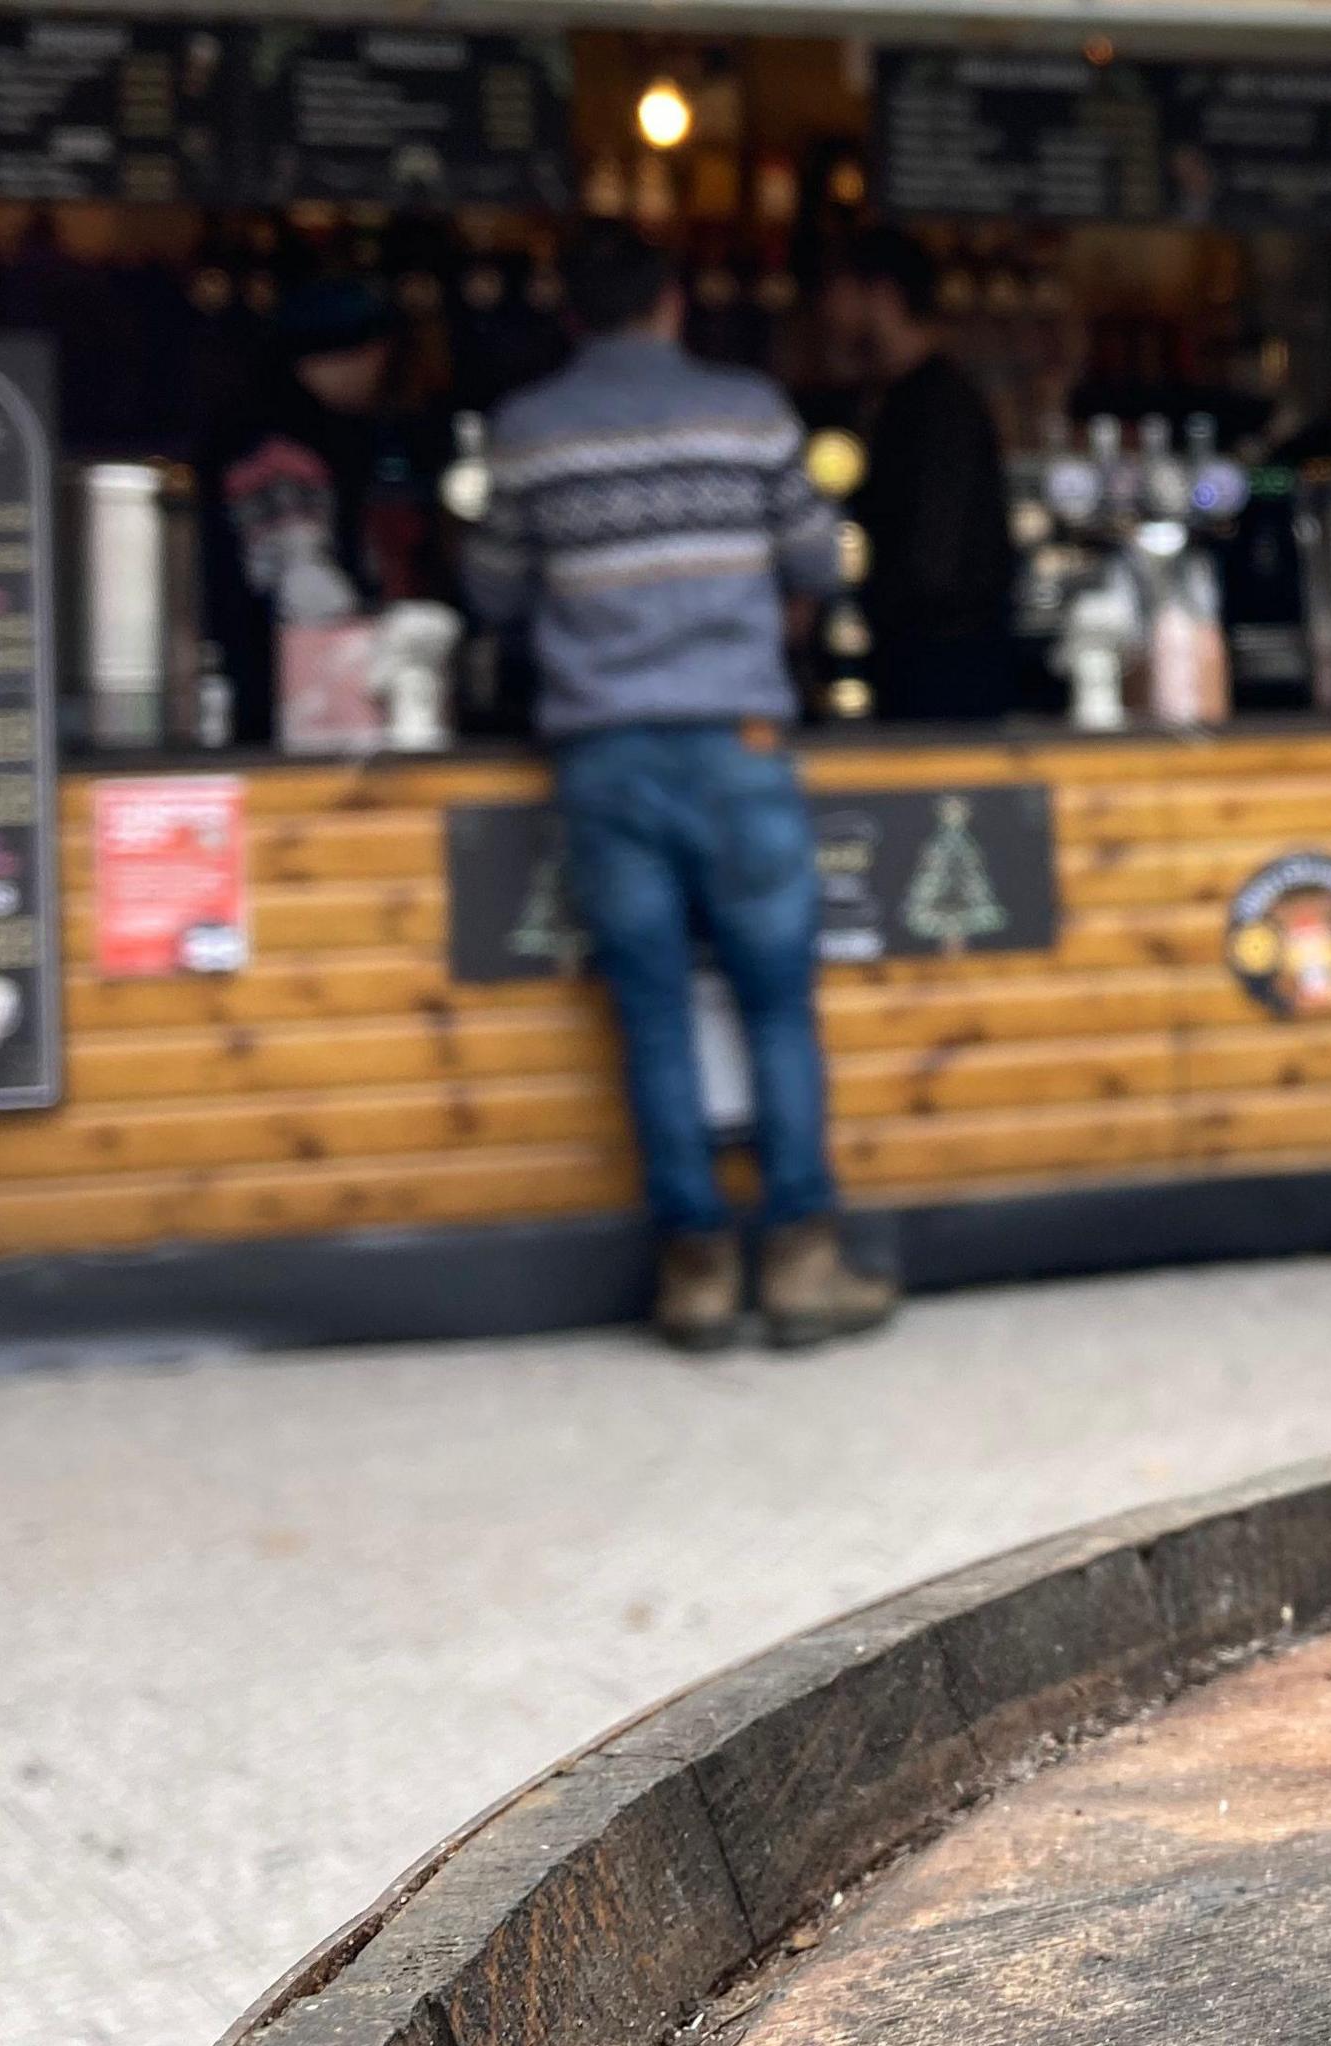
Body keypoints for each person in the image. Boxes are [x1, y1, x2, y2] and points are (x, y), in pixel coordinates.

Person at [462, 223, 900, 1353]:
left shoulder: (524, 432)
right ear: (673, 304)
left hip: (602, 752)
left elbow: (495, 593)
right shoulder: (749, 411)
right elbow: (817, 560)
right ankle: (802, 1264)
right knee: (774, 997)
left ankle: (696, 1274)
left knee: (652, 1007)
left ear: (571, 315)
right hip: (738, 739)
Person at [823, 228, 1015, 719]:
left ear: (881, 297)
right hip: (918, 665)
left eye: (839, 294)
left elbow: (936, 564)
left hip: (947, 679)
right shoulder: (895, 399)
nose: (828, 312)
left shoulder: (939, 407)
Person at [200, 279, 397, 736]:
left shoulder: (276, 424)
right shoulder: (279, 446)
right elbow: (306, 589)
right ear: (357, 354)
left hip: (276, 691)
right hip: (278, 698)